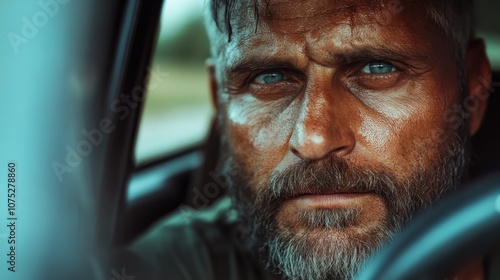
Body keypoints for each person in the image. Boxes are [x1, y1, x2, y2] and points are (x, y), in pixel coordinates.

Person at [129, 0, 495, 279]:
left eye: (377, 68)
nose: (314, 140)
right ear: (219, 102)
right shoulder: (179, 263)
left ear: (472, 92)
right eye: (269, 78)